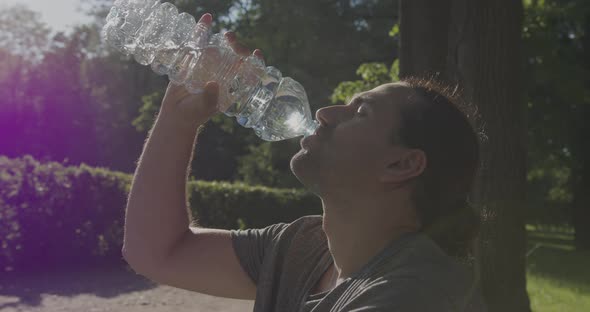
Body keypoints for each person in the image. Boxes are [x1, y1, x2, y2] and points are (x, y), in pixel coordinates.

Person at [122, 13, 487, 312]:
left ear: (401, 165)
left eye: (360, 111)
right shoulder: (302, 246)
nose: (326, 112)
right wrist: (178, 119)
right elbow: (155, 251)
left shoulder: (413, 296)